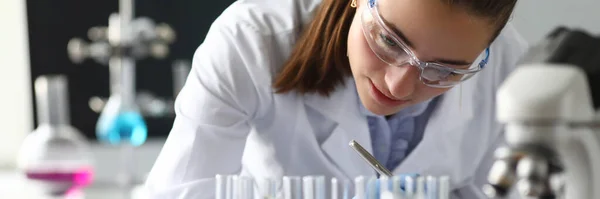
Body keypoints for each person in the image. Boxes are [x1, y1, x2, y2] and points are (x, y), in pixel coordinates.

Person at [144, 0, 529, 198]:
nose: (398, 86)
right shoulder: (251, 40)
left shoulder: (509, 69)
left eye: (445, 70)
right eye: (389, 40)